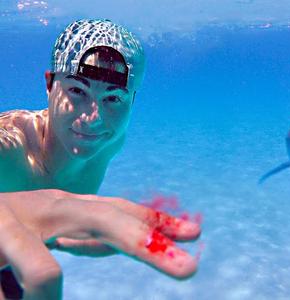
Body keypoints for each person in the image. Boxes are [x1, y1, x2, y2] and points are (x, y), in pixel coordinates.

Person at [0, 19, 201, 299]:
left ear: (132, 101)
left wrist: (57, 239)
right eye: (77, 91)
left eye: (113, 98)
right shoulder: (10, 145)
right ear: (49, 84)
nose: (93, 119)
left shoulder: (110, 139)